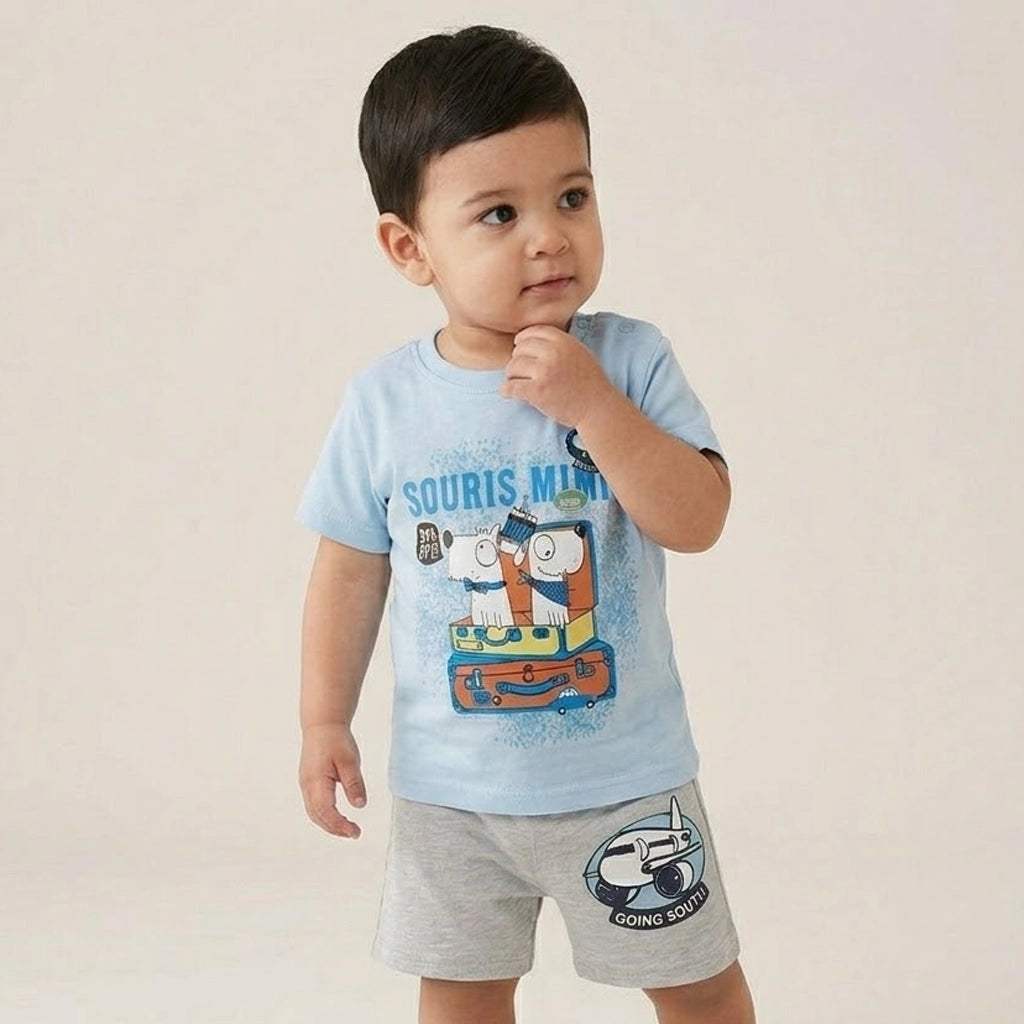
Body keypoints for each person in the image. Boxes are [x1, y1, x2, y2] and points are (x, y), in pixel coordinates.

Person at [296, 24, 756, 1024]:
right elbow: (348, 568)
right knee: (462, 994)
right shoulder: (384, 404)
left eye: (572, 197)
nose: (548, 236)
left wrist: (597, 409)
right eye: (499, 213)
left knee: (698, 984)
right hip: (453, 794)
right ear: (409, 248)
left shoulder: (629, 362)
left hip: (626, 782)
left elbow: (699, 517)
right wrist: (323, 719)